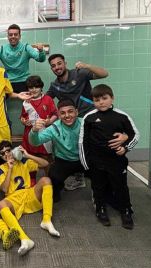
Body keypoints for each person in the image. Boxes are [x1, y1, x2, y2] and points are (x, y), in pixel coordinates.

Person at [47, 53, 110, 191]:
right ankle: (79, 177)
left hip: (88, 118)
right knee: (73, 146)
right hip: (71, 122)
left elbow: (105, 73)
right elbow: (45, 101)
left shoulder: (79, 74)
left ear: (65, 63)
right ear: (51, 69)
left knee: (94, 147)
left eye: (59, 63)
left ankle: (101, 179)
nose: (57, 67)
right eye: (53, 66)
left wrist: (86, 65)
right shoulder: (55, 85)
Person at [79, 84, 139, 229]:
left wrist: (125, 148)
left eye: (104, 98)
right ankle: (100, 209)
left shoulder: (122, 116)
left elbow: (135, 135)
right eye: (97, 99)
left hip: (117, 161)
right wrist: (86, 165)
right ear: (93, 101)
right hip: (96, 162)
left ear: (112, 98)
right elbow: (82, 142)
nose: (101, 102)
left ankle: (125, 211)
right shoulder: (89, 117)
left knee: (121, 187)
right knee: (98, 187)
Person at [0, 141, 60, 255]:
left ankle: (46, 220)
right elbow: (5, 189)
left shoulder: (23, 162)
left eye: (8, 150)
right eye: (2, 153)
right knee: (1, 204)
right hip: (13, 198)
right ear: (1, 157)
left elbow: (45, 163)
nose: (7, 154)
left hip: (28, 193)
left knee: (46, 180)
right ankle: (25, 239)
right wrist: (10, 168)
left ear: (12, 150)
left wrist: (27, 155)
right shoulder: (1, 168)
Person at [28, 99, 84, 203]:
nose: (67, 115)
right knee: (53, 178)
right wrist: (34, 130)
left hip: (83, 159)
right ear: (58, 114)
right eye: (62, 113)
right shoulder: (54, 128)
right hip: (63, 160)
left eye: (70, 111)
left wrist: (124, 136)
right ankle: (56, 193)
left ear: (76, 112)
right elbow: (35, 142)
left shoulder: (85, 123)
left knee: (102, 172)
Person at [0, 24, 46, 93]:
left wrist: (41, 51)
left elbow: (40, 59)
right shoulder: (2, 49)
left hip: (24, 81)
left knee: (29, 102)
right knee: (0, 100)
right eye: (10, 35)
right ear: (8, 37)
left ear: (19, 36)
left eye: (15, 34)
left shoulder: (26, 47)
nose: (13, 36)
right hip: (8, 82)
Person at [20, 75, 57, 159]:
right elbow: (22, 117)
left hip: (45, 133)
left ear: (41, 87)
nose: (34, 90)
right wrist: (24, 121)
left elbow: (55, 114)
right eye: (31, 88)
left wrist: (50, 121)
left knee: (46, 160)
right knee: (30, 161)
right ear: (28, 89)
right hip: (30, 134)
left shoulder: (48, 99)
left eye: (36, 87)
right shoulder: (26, 102)